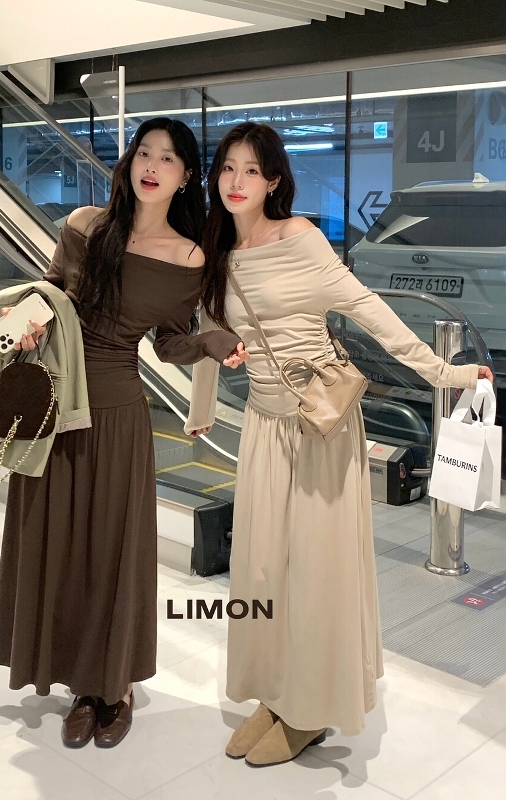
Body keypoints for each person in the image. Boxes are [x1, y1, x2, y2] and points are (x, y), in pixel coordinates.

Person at [185, 122, 493, 768]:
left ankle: (311, 708)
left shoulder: (298, 240)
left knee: (314, 570)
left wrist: (445, 373)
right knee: (262, 568)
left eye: (251, 170)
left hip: (317, 427)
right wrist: (201, 409)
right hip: (263, 428)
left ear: (274, 181)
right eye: (228, 167)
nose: (237, 181)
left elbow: (367, 308)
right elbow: (211, 327)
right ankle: (275, 691)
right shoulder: (220, 250)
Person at [0, 117, 247, 749]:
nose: (152, 165)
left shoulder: (190, 257)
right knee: (59, 544)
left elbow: (170, 343)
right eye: (144, 153)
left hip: (118, 415)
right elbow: (50, 295)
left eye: (168, 158)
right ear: (129, 162)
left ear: (186, 176)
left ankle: (115, 687)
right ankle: (81, 684)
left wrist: (213, 342)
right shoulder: (85, 225)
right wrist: (25, 324)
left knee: (111, 552)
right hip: (59, 407)